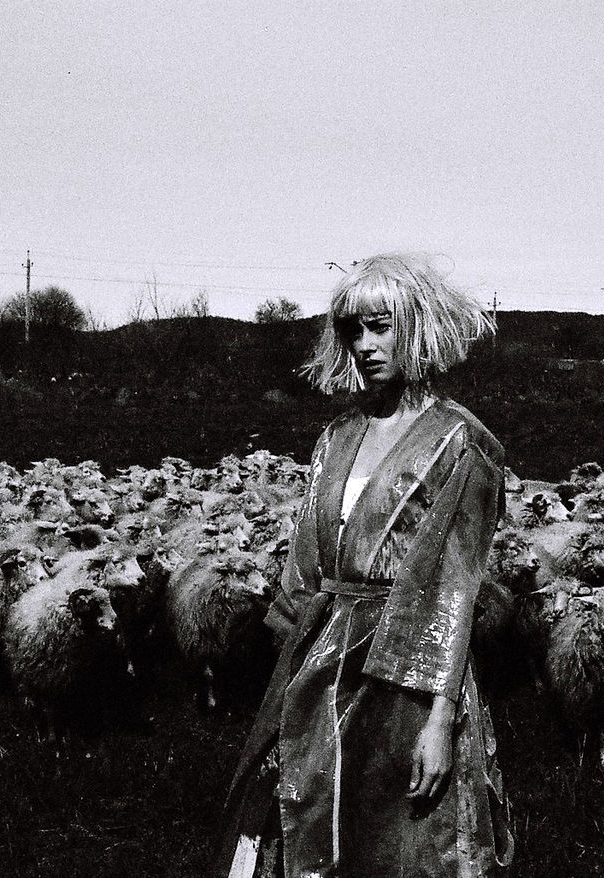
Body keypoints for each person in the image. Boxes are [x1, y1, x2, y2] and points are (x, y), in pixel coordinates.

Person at [215, 253, 513, 878]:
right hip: (320, 662)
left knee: (402, 844)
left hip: (405, 675)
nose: (366, 345)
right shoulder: (337, 438)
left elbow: (453, 592)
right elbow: (305, 566)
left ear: (419, 328)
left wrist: (440, 722)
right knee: (302, 825)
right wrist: (281, 684)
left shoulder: (459, 444)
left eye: (382, 327)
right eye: (354, 330)